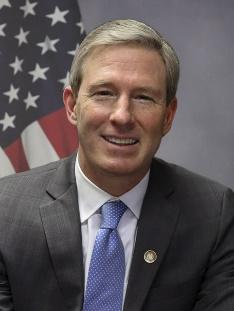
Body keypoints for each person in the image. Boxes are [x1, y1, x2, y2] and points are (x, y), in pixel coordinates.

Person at [0, 19, 233, 311]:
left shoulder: (214, 214)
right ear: (72, 106)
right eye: (104, 93)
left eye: (143, 97)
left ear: (168, 116)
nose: (122, 116)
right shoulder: (5, 210)